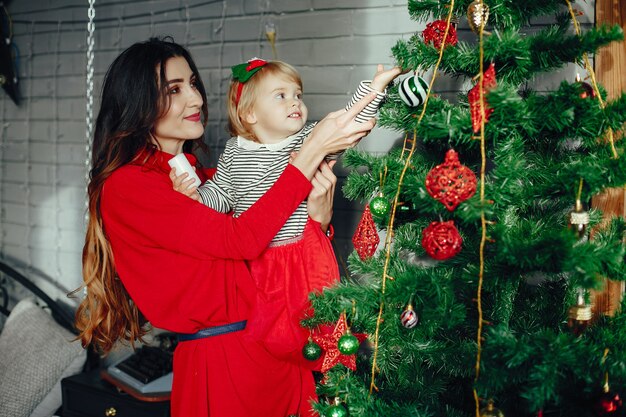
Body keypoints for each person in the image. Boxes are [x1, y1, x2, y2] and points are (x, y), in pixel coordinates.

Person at [74, 38, 377, 417]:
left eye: (193, 84)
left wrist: (320, 221)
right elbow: (244, 241)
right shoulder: (129, 186)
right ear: (138, 103)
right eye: (174, 89)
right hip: (226, 365)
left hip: (276, 344)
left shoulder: (206, 179)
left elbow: (276, 242)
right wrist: (311, 150)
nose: (197, 99)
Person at [171, 59, 401, 363]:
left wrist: (373, 90)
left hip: (303, 251)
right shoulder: (234, 152)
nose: (295, 101)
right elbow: (221, 194)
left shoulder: (307, 139)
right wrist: (194, 199)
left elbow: (347, 122)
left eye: (298, 95)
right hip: (258, 262)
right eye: (281, 95)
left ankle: (329, 365)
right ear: (249, 113)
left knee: (317, 326)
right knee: (270, 335)